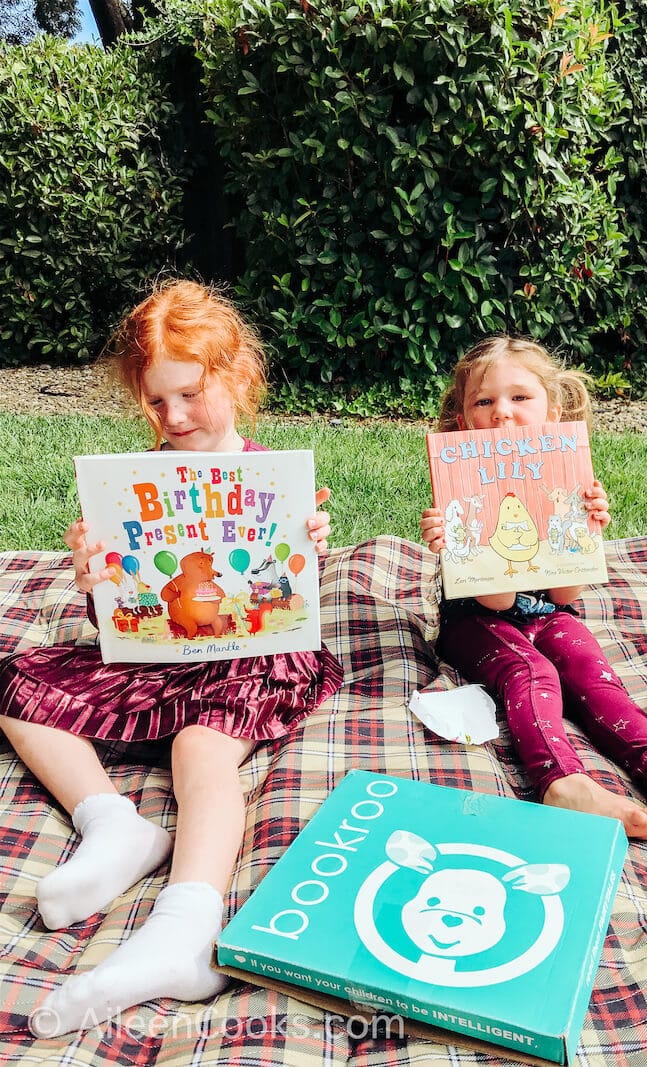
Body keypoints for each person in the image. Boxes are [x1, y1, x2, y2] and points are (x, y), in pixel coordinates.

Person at [0, 279, 343, 1038]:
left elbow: (285, 595)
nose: (176, 416)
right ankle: (112, 823)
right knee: (18, 679)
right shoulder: (134, 487)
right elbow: (120, 619)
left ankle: (185, 926)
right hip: (162, 658)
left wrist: (307, 551)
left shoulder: (270, 475)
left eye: (191, 393)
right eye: (158, 403)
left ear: (236, 377)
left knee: (200, 750)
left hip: (252, 657)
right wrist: (98, 581)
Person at [420, 336, 647, 840]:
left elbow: (565, 597)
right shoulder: (461, 485)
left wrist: (582, 530)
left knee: (591, 673)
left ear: (553, 413)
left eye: (520, 398)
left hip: (549, 612)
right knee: (531, 672)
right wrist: (464, 543)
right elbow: (497, 599)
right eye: (484, 401)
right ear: (464, 421)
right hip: (475, 619)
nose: (502, 413)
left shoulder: (566, 480)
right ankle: (563, 783)